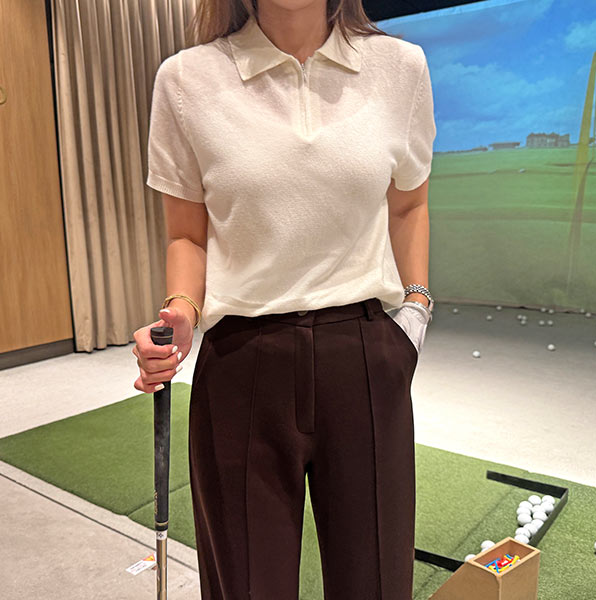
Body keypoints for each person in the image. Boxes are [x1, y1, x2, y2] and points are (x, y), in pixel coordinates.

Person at [133, 0, 436, 597]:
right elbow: (187, 234)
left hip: (364, 356)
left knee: (376, 582)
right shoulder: (186, 80)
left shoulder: (400, 67)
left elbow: (409, 204)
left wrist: (416, 309)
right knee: (248, 586)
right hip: (240, 365)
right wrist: (182, 311)